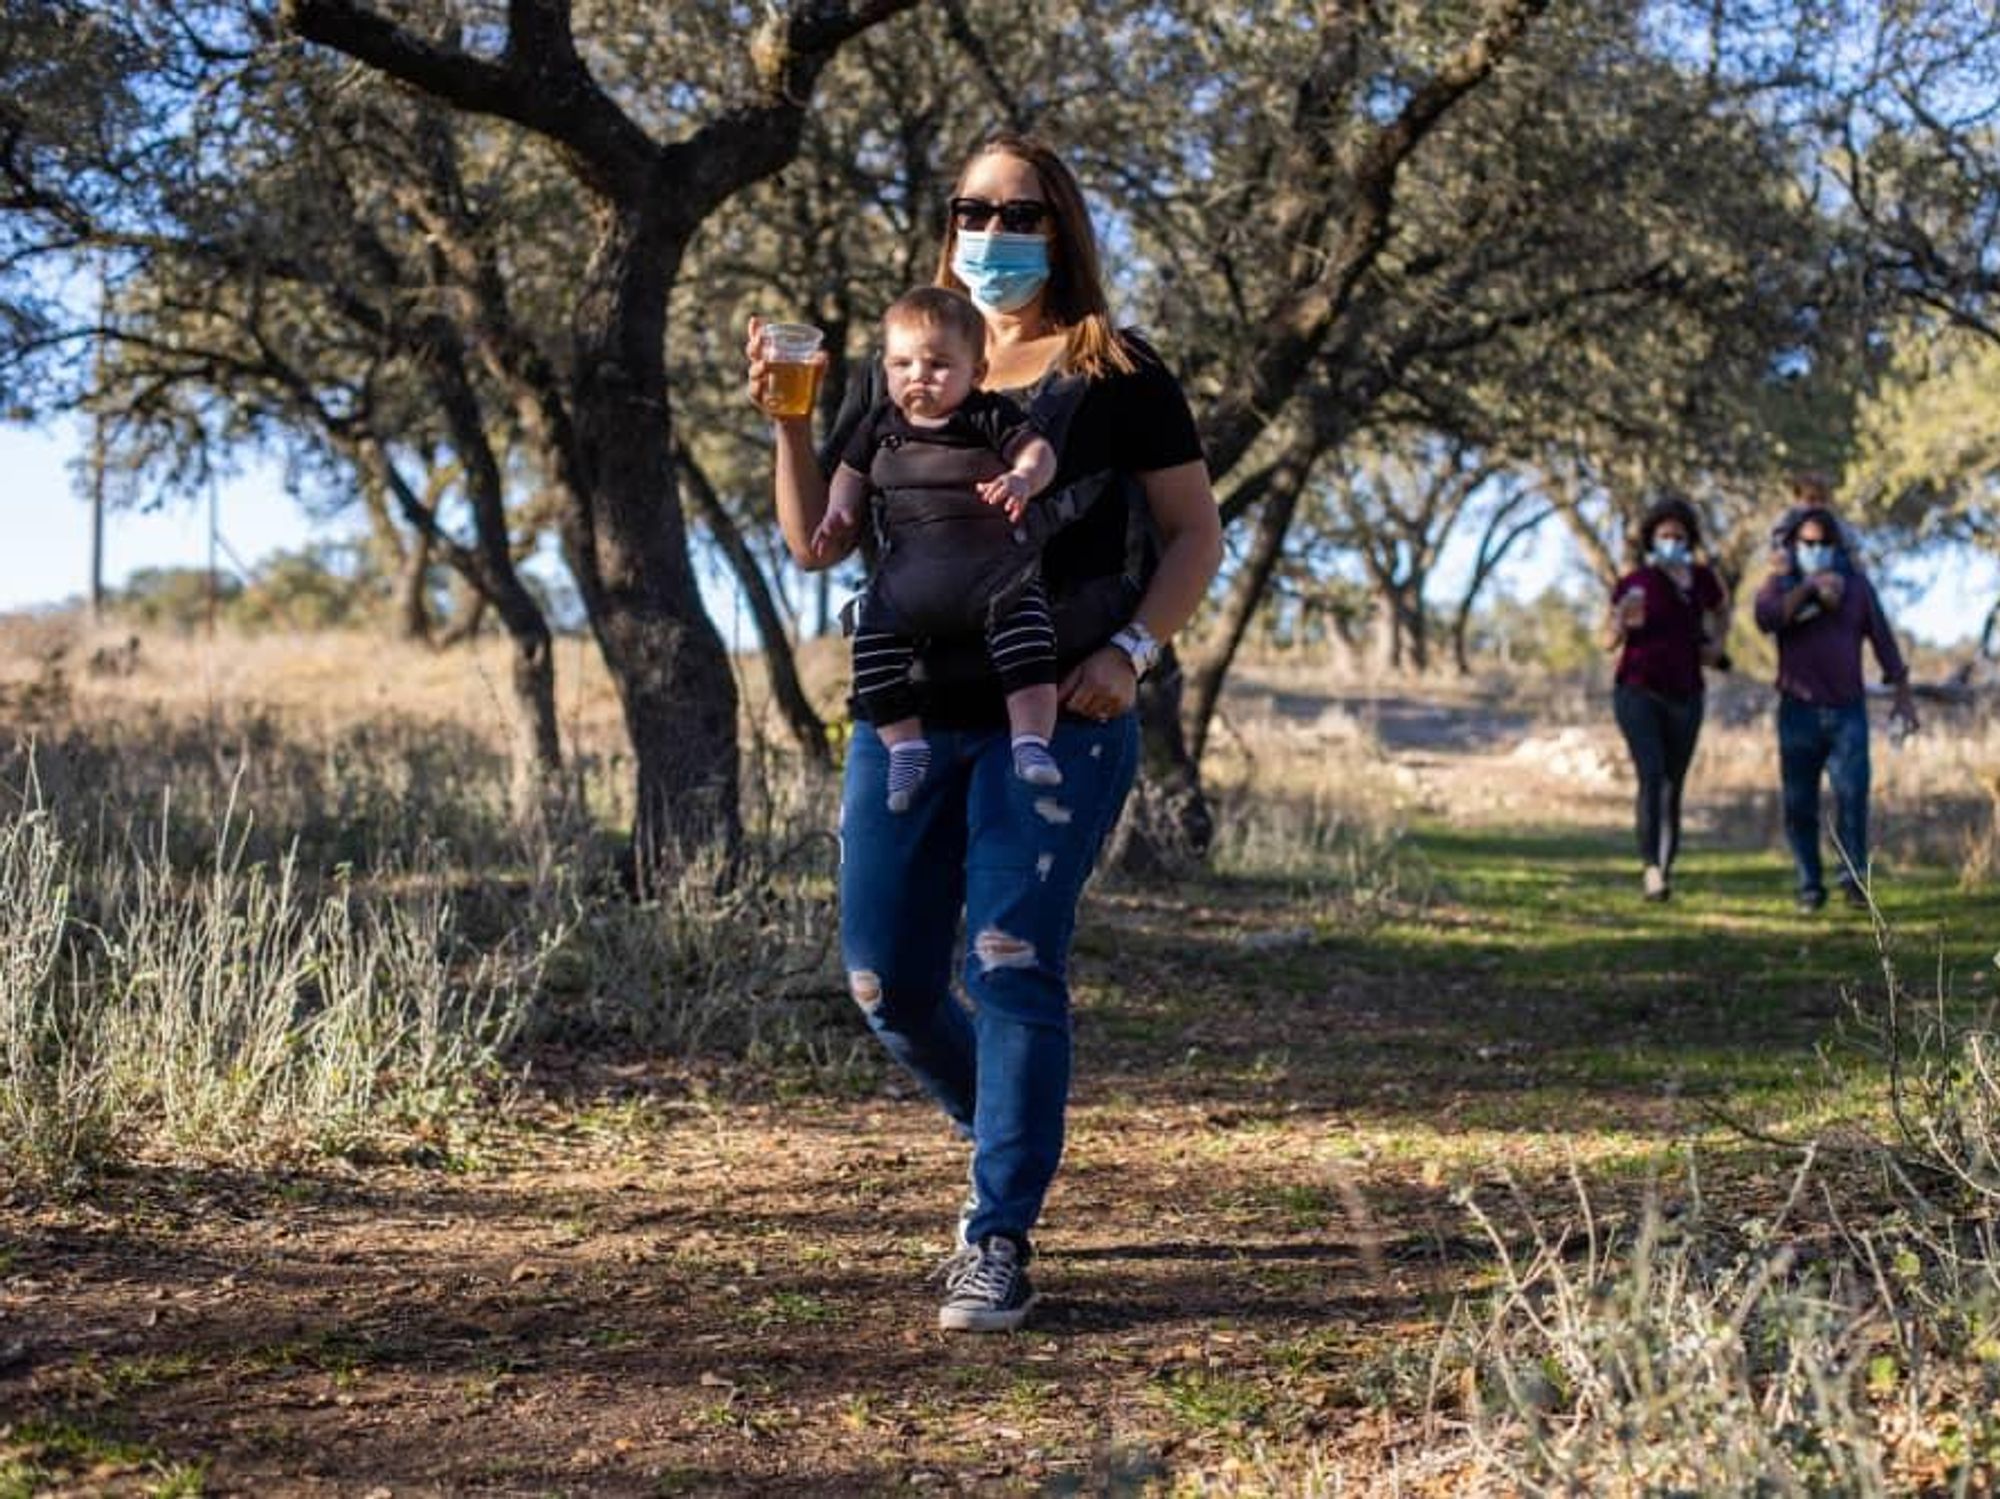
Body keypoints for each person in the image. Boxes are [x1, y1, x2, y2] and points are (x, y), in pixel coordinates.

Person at [748, 132, 1223, 1333]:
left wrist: (1131, 651)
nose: (992, 233)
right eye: (973, 210)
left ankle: (997, 1231)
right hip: (905, 713)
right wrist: (788, 427)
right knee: (886, 981)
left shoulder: (1116, 371)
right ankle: (1008, 1122)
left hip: (1055, 715)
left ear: (1060, 228)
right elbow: (814, 544)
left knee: (1009, 956)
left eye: (1019, 214)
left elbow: (1192, 535)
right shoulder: (907, 363)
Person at [811, 286, 1063, 810]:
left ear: (977, 371)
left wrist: (1022, 478)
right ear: (885, 367)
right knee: (872, 657)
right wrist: (839, 512)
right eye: (902, 364)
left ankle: (1030, 742)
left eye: (939, 364)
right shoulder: (879, 424)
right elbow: (849, 474)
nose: (918, 375)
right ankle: (905, 747)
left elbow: (1039, 452)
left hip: (996, 580)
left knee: (1030, 647)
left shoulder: (986, 414)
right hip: (908, 587)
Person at [1753, 477, 1920, 912]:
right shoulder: (1781, 582)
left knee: (1852, 797)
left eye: (1823, 543)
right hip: (1797, 710)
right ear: (1794, 544)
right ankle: (1809, 884)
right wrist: (1807, 589)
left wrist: (1902, 693)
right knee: (1799, 804)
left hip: (1847, 709)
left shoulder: (1857, 586)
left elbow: (1883, 640)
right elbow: (1766, 618)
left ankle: (1854, 877)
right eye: (1808, 544)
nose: (1816, 549)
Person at [1602, 496, 1729, 902]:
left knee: (1674, 784)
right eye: (1663, 535)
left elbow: (1722, 609)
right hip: (1637, 690)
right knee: (1651, 774)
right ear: (1651, 540)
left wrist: (1717, 645)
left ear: (1689, 539)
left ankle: (1666, 866)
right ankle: (1651, 870)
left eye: (1678, 535)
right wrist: (1621, 621)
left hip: (1687, 693)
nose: (1671, 542)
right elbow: (1607, 640)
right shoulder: (1635, 582)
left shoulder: (1703, 580)